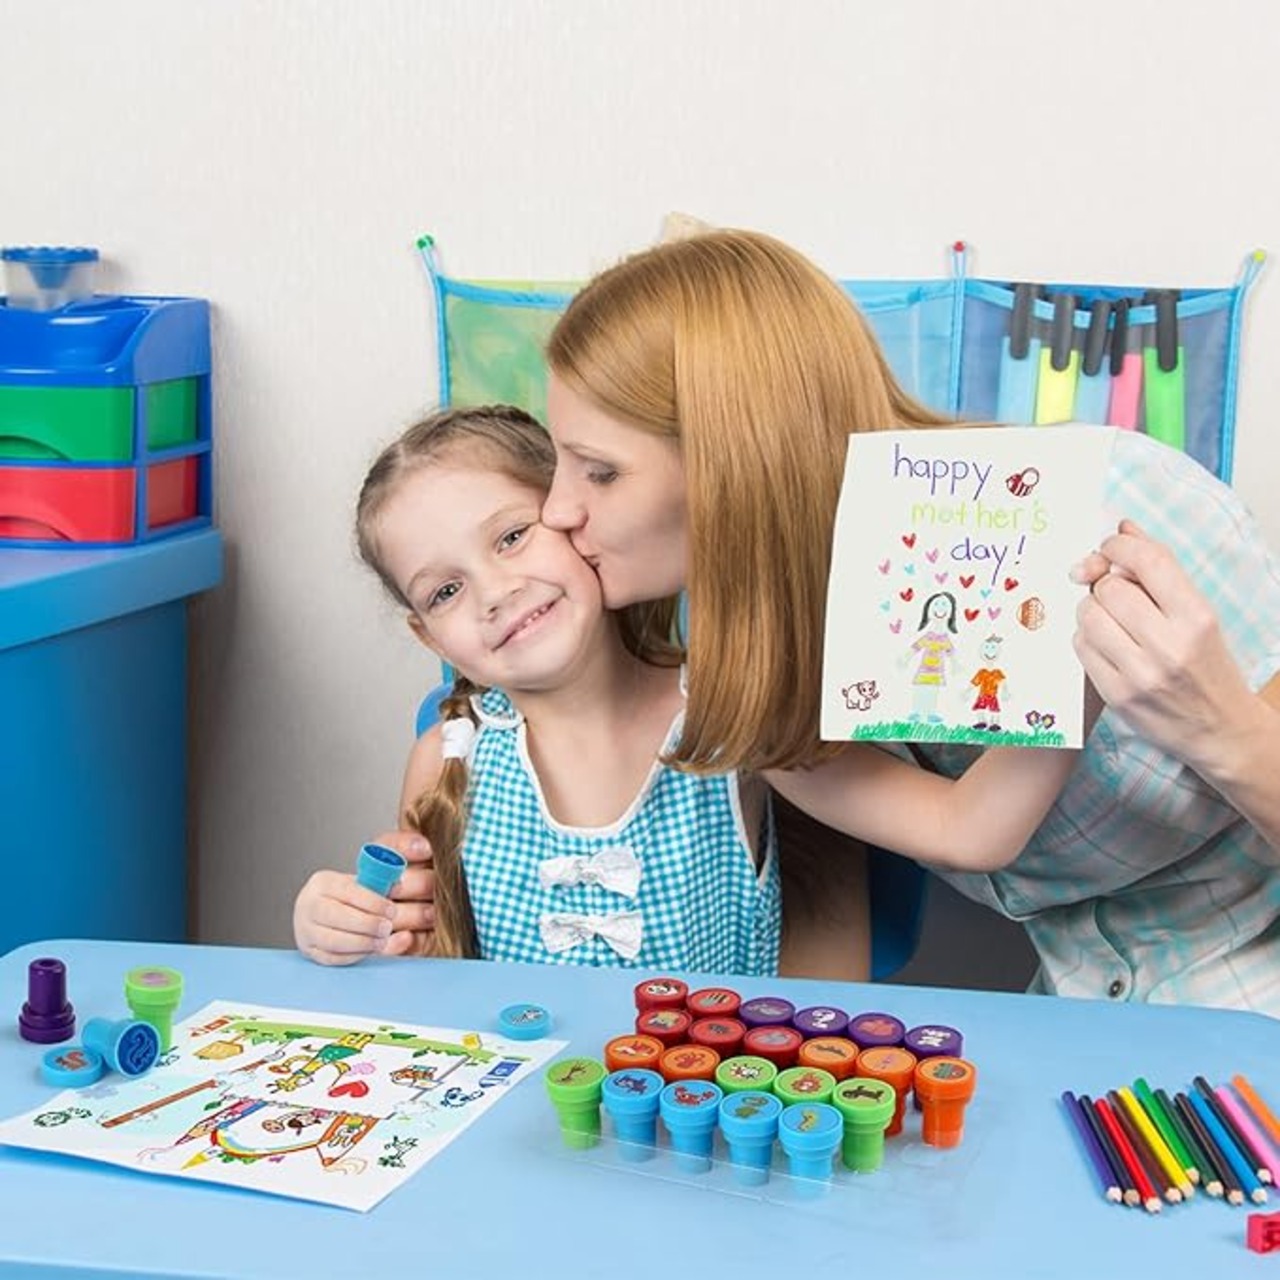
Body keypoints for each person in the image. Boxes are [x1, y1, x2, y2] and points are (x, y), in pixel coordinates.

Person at [539, 227, 1280, 1012]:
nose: (557, 510)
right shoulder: (759, 682)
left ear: (737, 459)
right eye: (561, 464)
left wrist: (1222, 728)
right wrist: (1065, 681)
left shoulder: (1118, 494)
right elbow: (968, 832)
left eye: (600, 472)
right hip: (1083, 1005)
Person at [292, 404, 1080, 972]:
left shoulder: (736, 714)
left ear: (575, 517)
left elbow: (966, 833)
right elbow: (418, 967)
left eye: (511, 536)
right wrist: (337, 926)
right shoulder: (446, 757)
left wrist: (1079, 667)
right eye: (444, 592)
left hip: (713, 1127)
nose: (493, 592)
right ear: (429, 637)